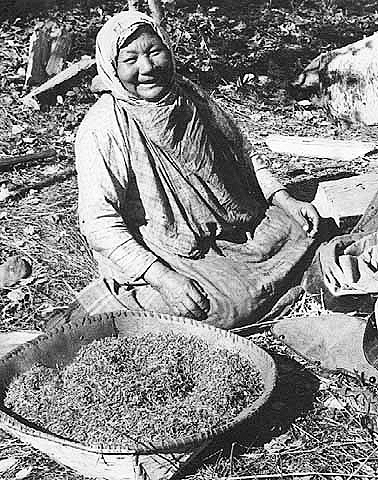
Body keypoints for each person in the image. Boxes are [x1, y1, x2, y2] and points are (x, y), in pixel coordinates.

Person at [74, 10, 320, 329]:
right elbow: (98, 222)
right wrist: (164, 278)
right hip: (168, 249)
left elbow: (242, 156)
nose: (147, 67)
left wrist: (286, 200)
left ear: (168, 50)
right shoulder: (104, 127)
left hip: (231, 228)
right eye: (131, 59)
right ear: (112, 69)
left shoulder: (187, 95)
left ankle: (256, 276)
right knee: (221, 307)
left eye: (154, 52)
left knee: (308, 228)